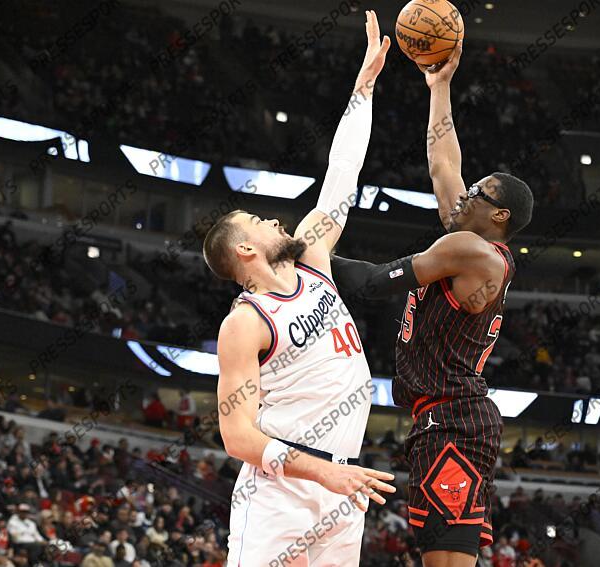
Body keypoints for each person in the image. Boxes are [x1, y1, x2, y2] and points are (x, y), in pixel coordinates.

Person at [329, 42, 533, 566]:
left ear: (500, 216)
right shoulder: (469, 241)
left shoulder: (472, 251)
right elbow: (443, 163)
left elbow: (374, 283)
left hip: (454, 419)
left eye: (479, 193)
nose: (466, 193)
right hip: (442, 417)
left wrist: (304, 254)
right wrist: (440, 86)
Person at [204, 11, 395, 567]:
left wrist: (363, 90)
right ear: (244, 250)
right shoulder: (245, 323)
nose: (273, 221)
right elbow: (238, 437)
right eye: (258, 222)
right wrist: (322, 472)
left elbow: (341, 177)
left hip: (342, 483)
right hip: (283, 489)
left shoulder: (311, 259)